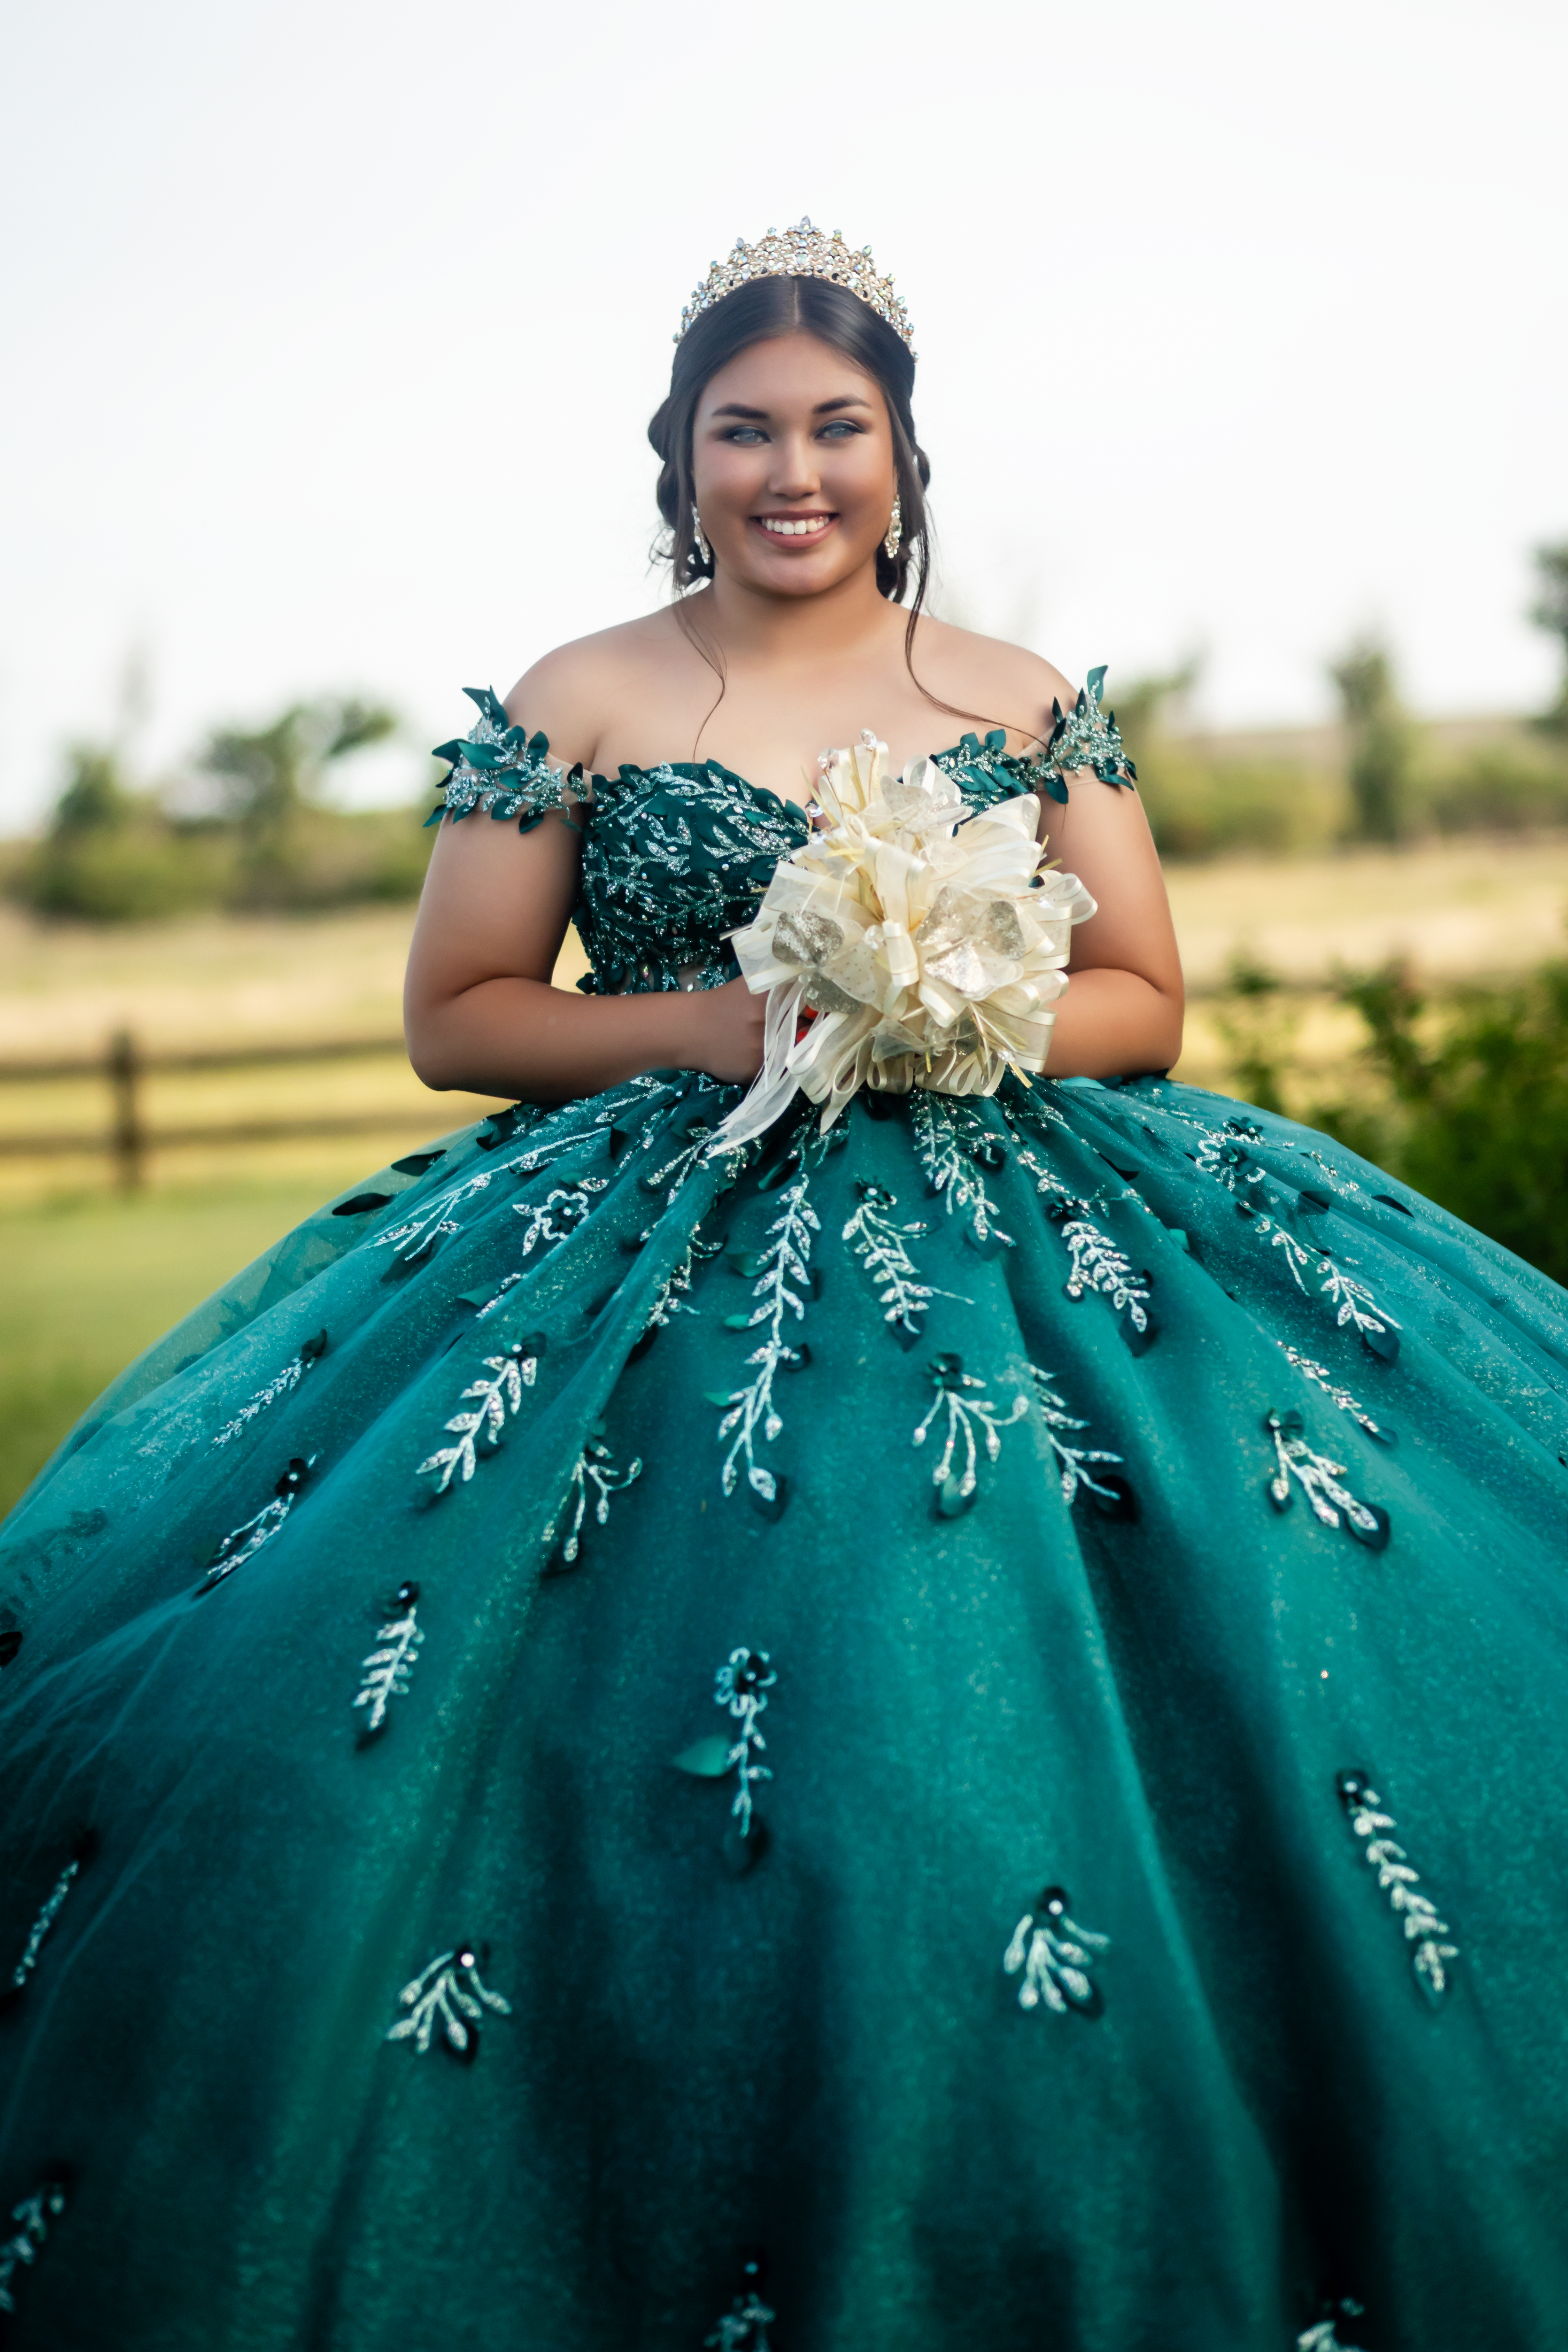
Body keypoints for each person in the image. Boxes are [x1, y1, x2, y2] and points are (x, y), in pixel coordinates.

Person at [0, 220, 1565, 2352]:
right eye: (747, 429)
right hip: (638, 1242)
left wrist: (946, 1018)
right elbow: (460, 1013)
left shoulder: (1025, 702)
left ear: (908, 456)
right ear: (683, 452)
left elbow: (1148, 1000)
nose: (793, 469)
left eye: (840, 426)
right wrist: (732, 1031)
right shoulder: (578, 701)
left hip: (1032, 1221)